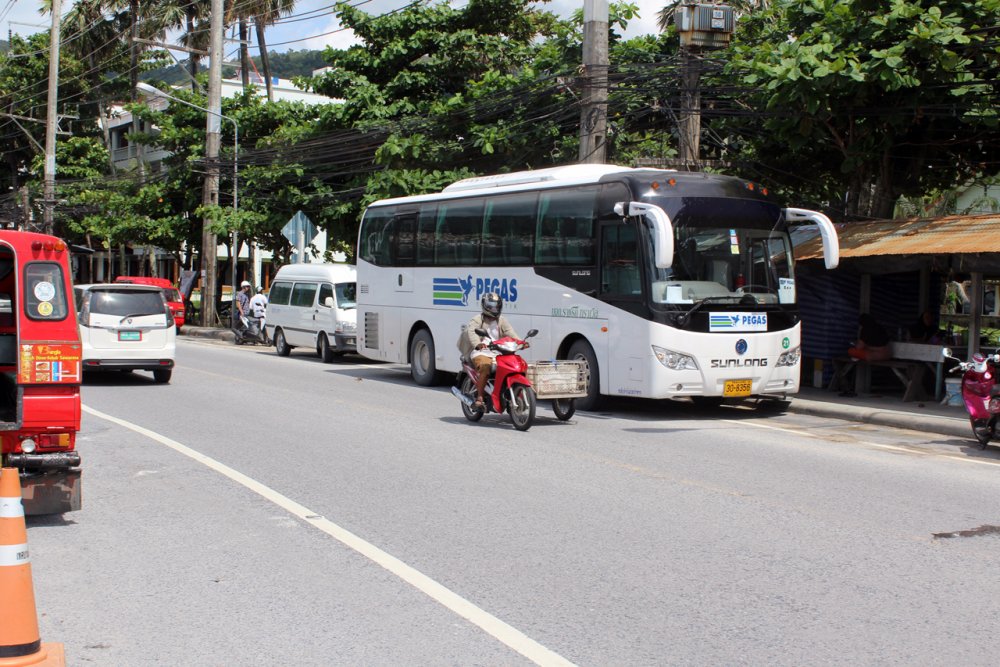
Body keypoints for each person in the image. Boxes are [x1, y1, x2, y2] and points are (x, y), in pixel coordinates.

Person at [458, 292, 526, 409]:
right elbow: (472, 332)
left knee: (516, 365)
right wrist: (478, 344)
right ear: (485, 306)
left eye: (496, 306)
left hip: (497, 352)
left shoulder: (502, 320)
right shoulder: (477, 319)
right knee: (485, 366)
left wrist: (521, 342)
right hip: (480, 351)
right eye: (490, 306)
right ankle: (479, 397)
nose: (494, 309)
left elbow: (510, 333)